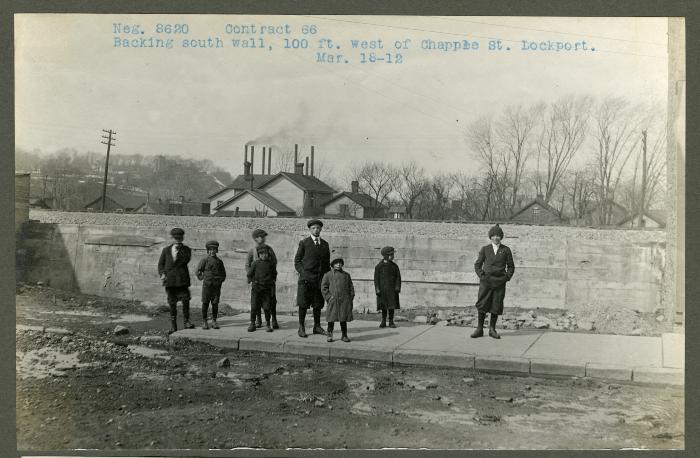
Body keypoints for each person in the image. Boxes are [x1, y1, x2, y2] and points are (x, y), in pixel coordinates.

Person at [472, 223, 515, 339]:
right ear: (490, 237)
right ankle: (479, 329)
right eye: (493, 235)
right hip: (486, 282)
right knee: (482, 304)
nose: (496, 238)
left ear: (501, 237)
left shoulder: (506, 250)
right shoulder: (485, 249)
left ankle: (492, 329)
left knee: (496, 305)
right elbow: (477, 265)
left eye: (498, 236)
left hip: (499, 283)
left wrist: (506, 278)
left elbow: (511, 267)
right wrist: (482, 276)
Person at [294, 219, 331, 338]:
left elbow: (327, 263)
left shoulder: (325, 244)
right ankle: (301, 327)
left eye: (318, 228)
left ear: (321, 229)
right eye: (313, 228)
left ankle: (317, 326)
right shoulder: (304, 243)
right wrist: (303, 274)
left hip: (319, 280)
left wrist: (326, 278)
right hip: (305, 280)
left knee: (317, 304)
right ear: (310, 229)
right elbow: (297, 261)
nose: (316, 230)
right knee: (303, 304)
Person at [158, 227, 194, 334]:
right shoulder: (166, 250)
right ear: (172, 238)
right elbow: (161, 264)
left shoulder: (186, 250)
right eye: (175, 238)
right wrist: (162, 274)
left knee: (185, 300)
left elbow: (184, 260)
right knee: (172, 303)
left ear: (182, 238)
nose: (178, 240)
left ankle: (186, 322)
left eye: (180, 238)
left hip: (182, 280)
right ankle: (174, 326)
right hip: (170, 281)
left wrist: (178, 250)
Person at [245, 229, 279, 329]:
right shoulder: (252, 251)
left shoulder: (269, 249)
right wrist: (251, 276)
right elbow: (247, 265)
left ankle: (274, 320)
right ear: (256, 239)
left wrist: (270, 274)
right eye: (261, 237)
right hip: (257, 281)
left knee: (271, 301)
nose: (263, 239)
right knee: (256, 302)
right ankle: (258, 320)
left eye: (264, 237)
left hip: (268, 281)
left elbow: (274, 262)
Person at [321, 257, 355, 342]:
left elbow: (351, 287)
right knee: (331, 319)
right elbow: (324, 288)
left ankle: (344, 335)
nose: (338, 265)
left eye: (340, 263)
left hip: (344, 301)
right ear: (332, 265)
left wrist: (350, 297)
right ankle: (329, 335)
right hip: (333, 301)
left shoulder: (346, 275)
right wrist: (329, 297)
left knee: (343, 319)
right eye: (336, 263)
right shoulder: (328, 275)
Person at [195, 240, 226, 330]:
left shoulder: (219, 262)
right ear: (208, 250)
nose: (212, 251)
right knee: (205, 303)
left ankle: (214, 321)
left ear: (217, 250)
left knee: (215, 304)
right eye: (210, 249)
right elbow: (198, 271)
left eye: (214, 249)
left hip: (216, 287)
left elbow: (223, 274)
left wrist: (219, 281)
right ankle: (204, 321)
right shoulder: (204, 260)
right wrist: (202, 278)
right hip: (207, 286)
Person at [374, 246, 402, 328]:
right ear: (385, 256)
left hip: (392, 291)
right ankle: (383, 321)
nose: (393, 256)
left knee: (391, 306)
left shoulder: (394, 266)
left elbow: (398, 278)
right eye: (391, 255)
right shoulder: (379, 267)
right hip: (382, 291)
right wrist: (377, 289)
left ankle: (391, 321)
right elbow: (376, 279)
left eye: (393, 254)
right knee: (383, 306)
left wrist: (397, 287)